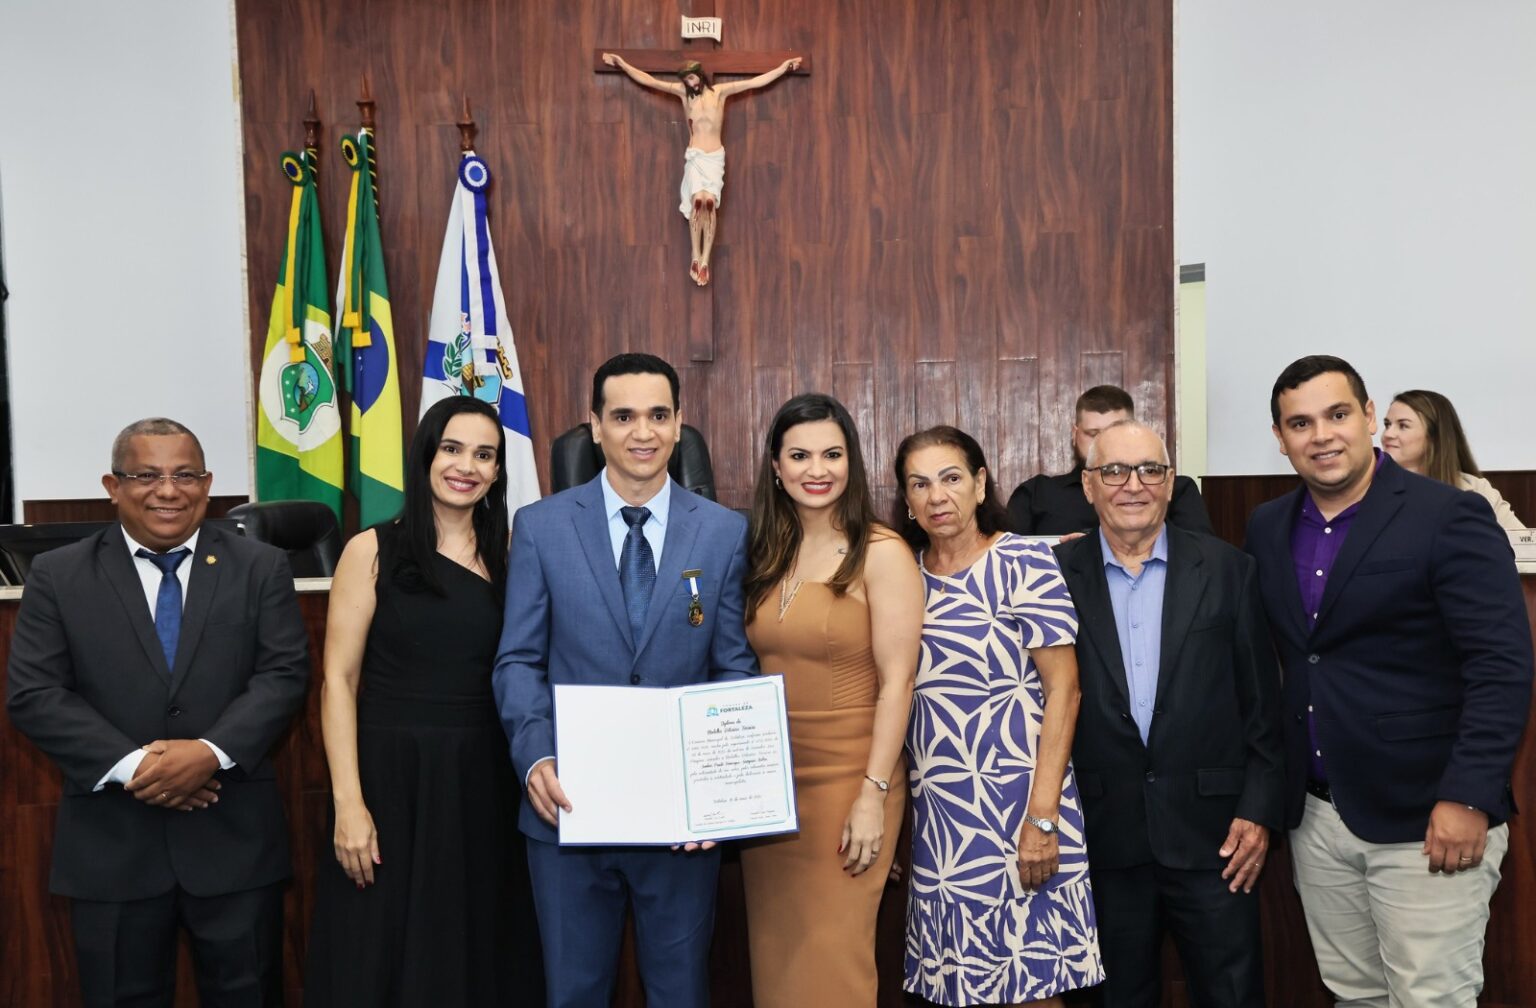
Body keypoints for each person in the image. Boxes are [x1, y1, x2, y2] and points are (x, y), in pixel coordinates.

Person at [1246, 355, 1532, 1006]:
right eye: (1300, 422)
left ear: (1369, 416)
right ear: (1280, 437)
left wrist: (1468, 795)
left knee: (1430, 998)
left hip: (1428, 817)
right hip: (1317, 819)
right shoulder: (1267, 527)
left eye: (1338, 414)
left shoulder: (1446, 515)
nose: (1321, 434)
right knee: (1357, 996)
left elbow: (1500, 663)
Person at [6, 417, 309, 1007]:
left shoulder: (259, 567)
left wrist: (208, 754)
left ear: (208, 484)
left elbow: (283, 676)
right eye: (146, 475)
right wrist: (136, 767)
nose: (168, 491)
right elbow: (35, 694)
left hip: (234, 845)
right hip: (112, 848)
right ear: (112, 486)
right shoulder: (58, 575)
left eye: (185, 475)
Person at [493, 352, 759, 1008]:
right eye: (624, 416)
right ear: (594, 427)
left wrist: (719, 791)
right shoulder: (540, 527)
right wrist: (535, 757)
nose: (642, 431)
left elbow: (732, 667)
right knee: (574, 994)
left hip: (680, 827)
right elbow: (517, 661)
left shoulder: (724, 533)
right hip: (568, 814)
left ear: (679, 425)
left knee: (682, 994)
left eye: (658, 415)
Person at [305, 397, 541, 1005]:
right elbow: (338, 682)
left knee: (474, 947)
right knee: (380, 949)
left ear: (497, 472)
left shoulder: (514, 557)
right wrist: (348, 805)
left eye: (484, 454)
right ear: (426, 456)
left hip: (483, 782)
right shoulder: (372, 550)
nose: (467, 465)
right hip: (390, 784)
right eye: (452, 449)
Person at [1055, 420, 1283, 1007]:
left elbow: (1263, 704)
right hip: (1102, 837)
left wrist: (1258, 810)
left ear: (1171, 482)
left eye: (1150, 470)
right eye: (1114, 471)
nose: (1133, 485)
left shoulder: (1229, 569)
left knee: (1231, 995)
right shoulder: (1054, 579)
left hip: (1217, 839)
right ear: (1088, 486)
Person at [896, 425, 1104, 1007]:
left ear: (981, 482)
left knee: (1031, 987)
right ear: (906, 502)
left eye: (951, 478)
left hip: (1021, 810)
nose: (937, 496)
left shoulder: (1024, 561)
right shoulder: (901, 576)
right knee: (959, 988)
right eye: (920, 484)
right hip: (942, 822)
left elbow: (1065, 691)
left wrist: (1042, 819)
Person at [738, 393, 922, 1007]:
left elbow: (899, 683)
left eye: (832, 454)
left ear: (852, 462)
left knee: (832, 959)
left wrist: (872, 796)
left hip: (851, 779)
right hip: (770, 789)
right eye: (800, 455)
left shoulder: (883, 552)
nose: (817, 470)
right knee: (779, 962)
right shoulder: (762, 552)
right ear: (774, 466)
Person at [601, 53, 801, 286]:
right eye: (686, 80)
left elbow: (755, 82)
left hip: (714, 158)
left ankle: (704, 260)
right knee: (699, 201)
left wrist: (783, 68)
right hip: (696, 156)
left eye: (692, 78)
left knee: (710, 205)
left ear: (700, 75)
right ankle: (696, 255)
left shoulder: (720, 93)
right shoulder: (685, 96)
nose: (689, 83)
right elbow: (650, 81)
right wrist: (622, 64)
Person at [1007, 385, 1213, 537]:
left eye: (1112, 432)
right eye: (1093, 434)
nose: (1102, 444)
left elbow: (1202, 557)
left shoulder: (1173, 488)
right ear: (1074, 434)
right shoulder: (1036, 494)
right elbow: (1006, 564)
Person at [1381, 388, 1525, 531]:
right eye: (1387, 424)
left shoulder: (1476, 489)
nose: (1388, 434)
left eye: (1403, 426)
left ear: (1435, 437)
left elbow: (1525, 548)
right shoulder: (1369, 488)